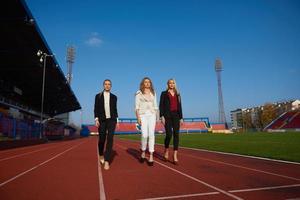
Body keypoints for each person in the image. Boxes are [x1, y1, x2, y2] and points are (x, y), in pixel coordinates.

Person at [94, 79, 118, 170]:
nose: (107, 85)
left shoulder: (114, 97)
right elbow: (95, 108)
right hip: (102, 120)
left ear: (111, 86)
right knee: (102, 139)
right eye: (106, 84)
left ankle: (107, 160)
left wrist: (117, 119)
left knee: (110, 138)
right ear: (103, 85)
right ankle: (101, 154)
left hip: (112, 120)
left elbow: (115, 109)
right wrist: (96, 119)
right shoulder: (98, 96)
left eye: (109, 84)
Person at [135, 77, 159, 166]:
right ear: (143, 83)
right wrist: (138, 117)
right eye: (145, 82)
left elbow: (156, 106)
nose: (147, 83)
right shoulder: (138, 93)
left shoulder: (153, 93)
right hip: (142, 115)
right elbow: (136, 107)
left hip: (152, 114)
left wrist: (158, 117)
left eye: (149, 82)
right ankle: (143, 151)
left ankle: (151, 155)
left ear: (150, 83)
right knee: (144, 134)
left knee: (151, 134)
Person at [159, 78, 183, 164]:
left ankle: (175, 155)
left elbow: (180, 106)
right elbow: (161, 105)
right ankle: (166, 149)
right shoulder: (164, 93)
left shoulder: (178, 94)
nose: (171, 84)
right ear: (168, 84)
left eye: (173, 83)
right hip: (167, 116)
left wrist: (181, 117)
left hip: (176, 116)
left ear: (174, 84)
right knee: (169, 134)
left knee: (176, 135)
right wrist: (161, 116)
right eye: (170, 83)